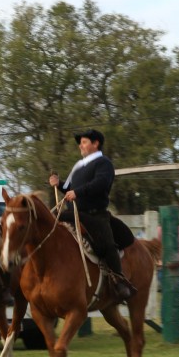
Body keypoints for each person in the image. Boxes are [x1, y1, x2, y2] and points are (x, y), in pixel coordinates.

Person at [48, 129, 135, 301]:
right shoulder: (79, 166)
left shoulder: (104, 163)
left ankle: (119, 280)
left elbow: (100, 184)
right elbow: (68, 189)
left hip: (96, 215)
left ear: (96, 144)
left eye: (84, 142)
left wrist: (77, 192)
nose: (80, 145)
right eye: (80, 142)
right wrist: (59, 184)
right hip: (75, 213)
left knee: (108, 245)